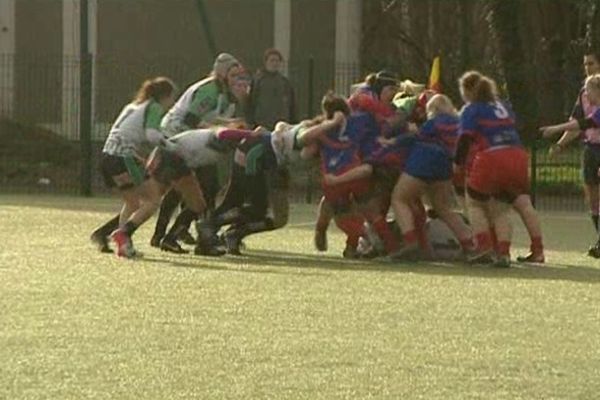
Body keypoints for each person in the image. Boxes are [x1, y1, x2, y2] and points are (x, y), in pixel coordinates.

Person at [151, 53, 243, 250]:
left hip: (194, 139)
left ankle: (177, 233)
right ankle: (187, 234)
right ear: (223, 74)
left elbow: (212, 119)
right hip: (178, 137)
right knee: (201, 187)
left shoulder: (227, 95)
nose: (238, 79)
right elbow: (190, 120)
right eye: (234, 75)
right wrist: (220, 129)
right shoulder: (209, 90)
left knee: (196, 188)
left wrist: (231, 125)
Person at [455, 71, 541, 268]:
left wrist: (457, 162)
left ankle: (483, 247)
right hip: (518, 156)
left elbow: (465, 138)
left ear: (468, 91)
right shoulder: (504, 106)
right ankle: (503, 253)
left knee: (474, 203)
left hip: (492, 156)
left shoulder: (472, 109)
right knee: (501, 208)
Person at [89, 77, 177, 257]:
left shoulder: (133, 106)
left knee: (132, 202)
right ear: (164, 96)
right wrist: (171, 143)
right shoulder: (154, 107)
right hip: (123, 158)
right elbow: (152, 135)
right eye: (172, 98)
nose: (172, 103)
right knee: (153, 200)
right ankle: (123, 233)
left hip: (108, 157)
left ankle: (123, 246)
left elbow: (121, 134)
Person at [390, 94, 473, 259]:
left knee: (399, 199)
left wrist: (393, 141)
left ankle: (410, 241)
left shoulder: (434, 123)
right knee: (443, 208)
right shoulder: (459, 124)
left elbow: (415, 137)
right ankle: (469, 244)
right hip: (444, 167)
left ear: (432, 110)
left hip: (423, 163)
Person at [543, 50, 600, 256]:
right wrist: (560, 144)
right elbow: (578, 124)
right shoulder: (585, 93)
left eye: (591, 63)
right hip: (591, 148)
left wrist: (554, 128)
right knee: (592, 196)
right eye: (585, 64)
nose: (587, 68)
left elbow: (585, 122)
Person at [247, 48, 296, 130]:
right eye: (272, 60)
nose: (274, 63)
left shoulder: (285, 82)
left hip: (281, 126)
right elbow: (251, 102)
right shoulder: (258, 81)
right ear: (266, 62)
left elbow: (292, 104)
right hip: (262, 125)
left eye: (277, 61)